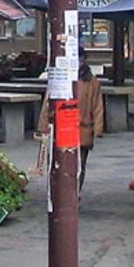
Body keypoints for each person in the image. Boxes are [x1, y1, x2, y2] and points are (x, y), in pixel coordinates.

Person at [37, 51, 104, 190]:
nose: (77, 64)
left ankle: (75, 193)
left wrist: (98, 129)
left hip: (83, 129)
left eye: (80, 60)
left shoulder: (92, 82)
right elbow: (47, 104)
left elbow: (97, 106)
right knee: (60, 163)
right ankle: (60, 192)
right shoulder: (60, 79)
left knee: (80, 166)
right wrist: (43, 127)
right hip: (61, 128)